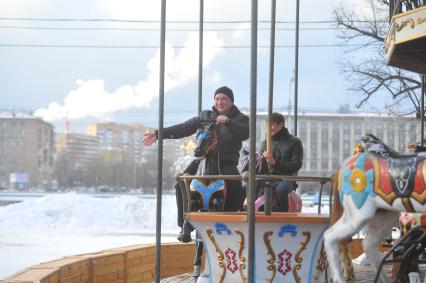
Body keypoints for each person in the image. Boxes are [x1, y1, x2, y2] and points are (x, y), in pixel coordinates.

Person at [143, 86, 249, 239]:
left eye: (224, 99)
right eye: (217, 99)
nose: (220, 102)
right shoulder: (205, 116)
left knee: (234, 182)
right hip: (203, 159)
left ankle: (234, 217)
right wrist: (159, 134)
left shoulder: (240, 118)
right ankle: (185, 224)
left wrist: (229, 123)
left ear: (231, 102)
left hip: (225, 160)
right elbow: (184, 128)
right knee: (181, 181)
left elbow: (244, 132)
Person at [260, 112, 303, 212]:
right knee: (247, 187)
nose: (269, 128)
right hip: (267, 177)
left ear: (281, 125)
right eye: (267, 125)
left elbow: (296, 164)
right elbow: (259, 163)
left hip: (285, 178)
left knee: (281, 190)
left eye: (272, 125)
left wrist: (276, 163)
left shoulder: (295, 142)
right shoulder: (265, 142)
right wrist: (262, 158)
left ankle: (283, 214)